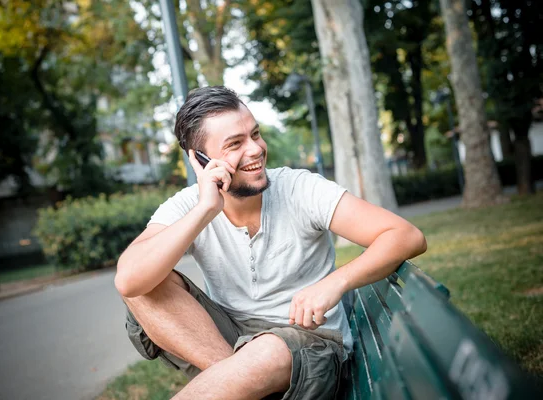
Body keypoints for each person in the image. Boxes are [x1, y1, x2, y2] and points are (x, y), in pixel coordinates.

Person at [115, 86, 427, 400]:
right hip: (234, 342)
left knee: (264, 353)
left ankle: (237, 379)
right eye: (235, 143)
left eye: (255, 134)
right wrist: (206, 209)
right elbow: (128, 279)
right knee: (144, 288)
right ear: (200, 159)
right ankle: (239, 382)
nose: (255, 150)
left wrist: (336, 282)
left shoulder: (300, 189)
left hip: (310, 340)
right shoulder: (189, 206)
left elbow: (406, 236)